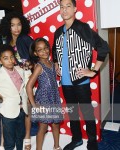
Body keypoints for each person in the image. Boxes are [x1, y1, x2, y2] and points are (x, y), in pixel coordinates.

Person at [52, 0, 110, 150]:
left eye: (68, 6)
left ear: (75, 9)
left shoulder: (82, 28)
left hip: (81, 81)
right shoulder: (58, 31)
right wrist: (57, 63)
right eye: (62, 7)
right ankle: (76, 139)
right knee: (72, 113)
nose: (64, 10)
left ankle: (92, 141)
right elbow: (54, 50)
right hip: (65, 82)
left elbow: (103, 47)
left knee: (87, 112)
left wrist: (94, 71)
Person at [0, 11, 36, 150]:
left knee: (26, 108)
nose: (16, 28)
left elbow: (35, 57)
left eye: (19, 24)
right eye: (13, 25)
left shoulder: (26, 39)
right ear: (8, 27)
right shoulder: (5, 40)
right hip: (9, 79)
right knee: (6, 108)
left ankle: (27, 136)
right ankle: (2, 141)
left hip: (25, 79)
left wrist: (30, 65)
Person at [26, 38, 63, 150]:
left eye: (46, 48)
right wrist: (33, 104)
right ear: (35, 53)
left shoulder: (51, 63)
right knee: (43, 127)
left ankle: (56, 146)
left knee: (56, 124)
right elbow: (28, 86)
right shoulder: (39, 66)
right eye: (40, 50)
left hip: (54, 98)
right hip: (43, 99)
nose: (44, 51)